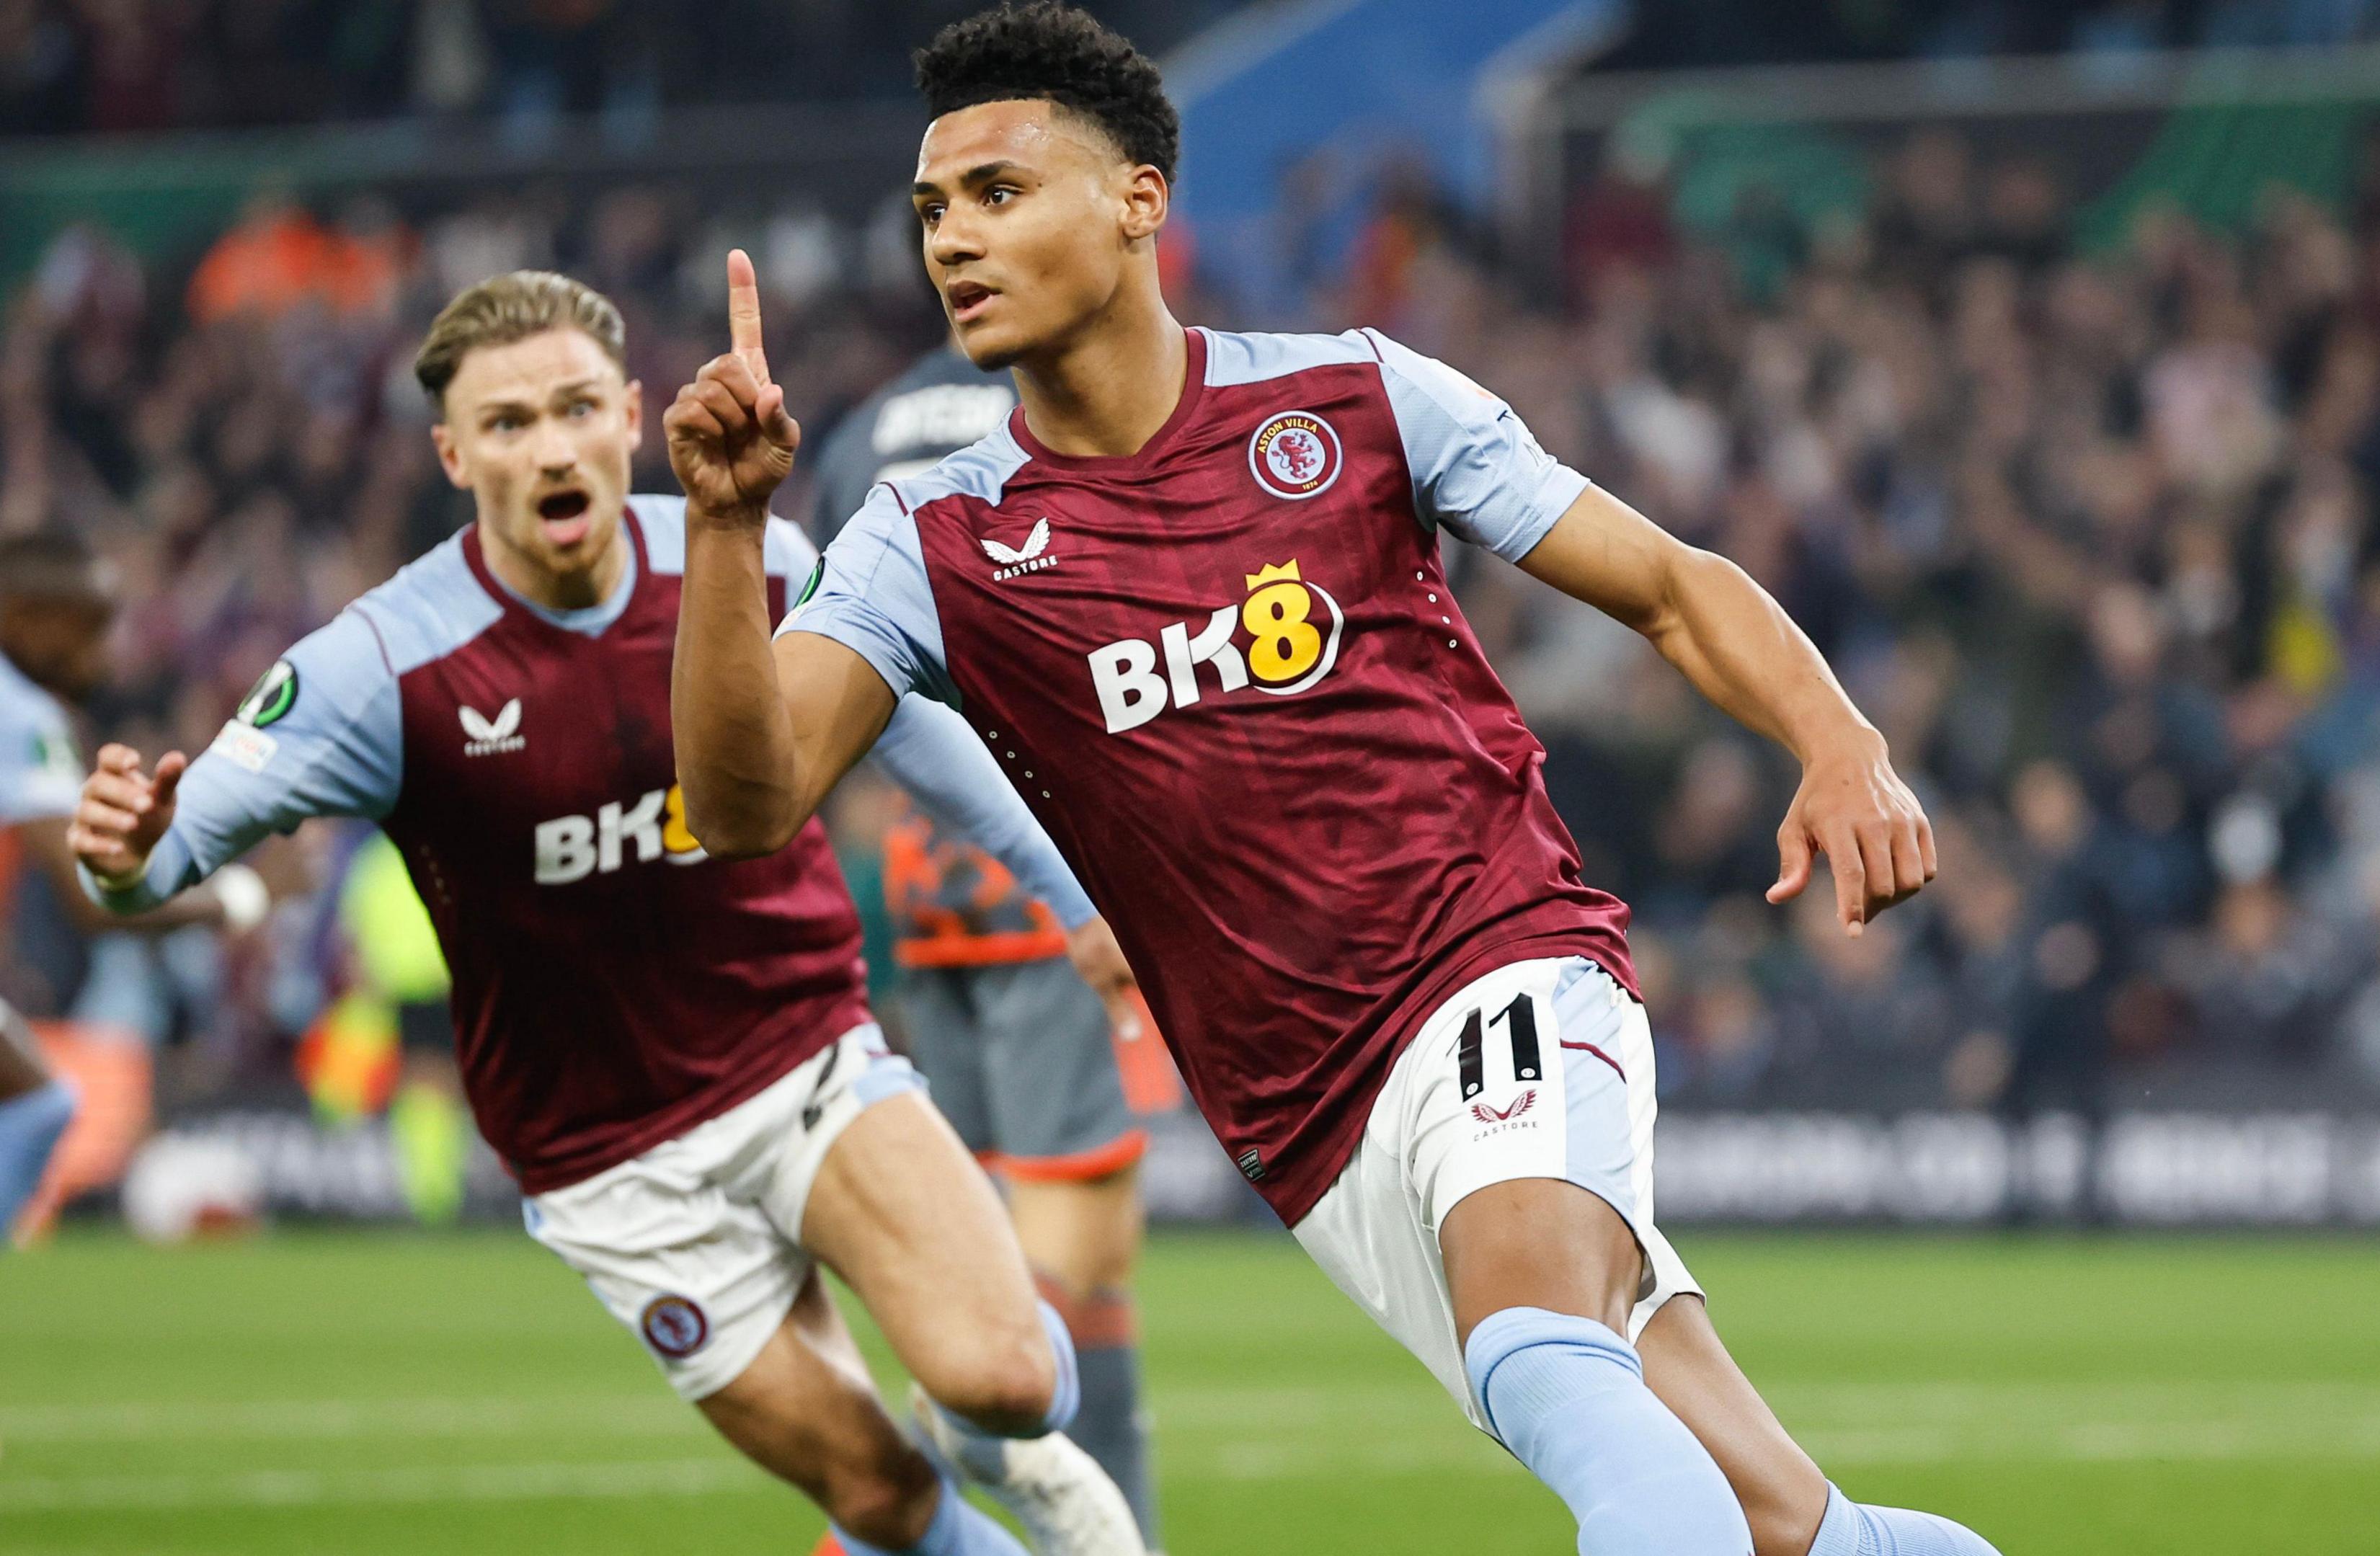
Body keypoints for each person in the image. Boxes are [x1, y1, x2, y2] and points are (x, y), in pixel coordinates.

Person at [662, 6, 1991, 1554]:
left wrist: (1840, 741)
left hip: (1496, 962)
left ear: (1140, 200)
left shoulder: (1355, 401)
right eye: (931, 212)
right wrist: (725, 533)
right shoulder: (930, 537)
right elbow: (746, 803)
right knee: (1787, 1525)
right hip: (1307, 1116)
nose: (953, 238)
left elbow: (1673, 584)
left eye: (1000, 193)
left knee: (1543, 1358)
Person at [70, 270, 1143, 1556]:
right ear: (454, 451)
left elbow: (909, 728)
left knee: (1015, 1382)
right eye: (509, 423)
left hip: (801, 1052)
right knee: (879, 1494)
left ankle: (983, 1435)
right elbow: (160, 851)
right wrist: (126, 859)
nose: (549, 443)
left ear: (629, 415)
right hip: (610, 1158)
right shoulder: (380, 664)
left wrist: (1078, 897)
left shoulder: (743, 557)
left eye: (575, 406)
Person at [817, 321, 1163, 1549]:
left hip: (930, 883)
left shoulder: (869, 429)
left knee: (1007, 1255)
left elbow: (831, 644)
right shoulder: (1058, 408)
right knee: (1072, 1251)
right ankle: (892, 1509)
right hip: (1065, 880)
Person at [1, 533, 266, 1240]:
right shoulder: (21, 711)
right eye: (86, 631)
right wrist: (229, 901)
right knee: (39, 1105)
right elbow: (94, 900)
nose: (104, 655)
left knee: (38, 1101)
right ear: (25, 618)